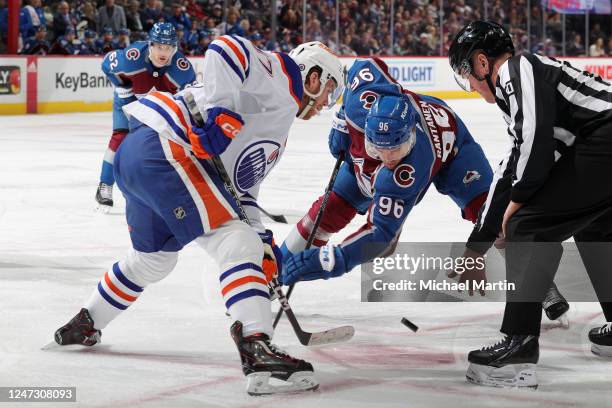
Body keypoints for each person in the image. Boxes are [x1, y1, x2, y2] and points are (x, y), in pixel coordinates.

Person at [53, 40, 344, 395]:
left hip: (140, 158)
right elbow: (226, 48)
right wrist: (221, 114)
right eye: (329, 90)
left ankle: (87, 320)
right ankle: (257, 347)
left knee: (154, 260)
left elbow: (239, 192)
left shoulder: (278, 129)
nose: (325, 103)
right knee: (237, 245)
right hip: (168, 151)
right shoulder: (283, 77)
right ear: (313, 76)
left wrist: (263, 241)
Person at [280, 57, 570, 318]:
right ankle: (273, 269)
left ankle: (541, 285)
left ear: (410, 139)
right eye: (380, 150)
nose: (389, 160)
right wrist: (343, 118)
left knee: (492, 218)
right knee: (329, 209)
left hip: (453, 150)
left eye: (397, 150)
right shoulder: (361, 105)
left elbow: (379, 235)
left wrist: (333, 260)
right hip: (395, 129)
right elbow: (365, 64)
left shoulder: (407, 171)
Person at [448, 20, 612, 388]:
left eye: (466, 74)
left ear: (480, 63)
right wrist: (478, 244)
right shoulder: (524, 84)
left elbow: (534, 147)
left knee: (528, 227)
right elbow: (514, 167)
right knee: (595, 225)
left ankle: (518, 350)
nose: (471, 87)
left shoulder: (516, 68)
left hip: (606, 137)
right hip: (603, 140)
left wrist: (514, 211)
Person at [94, 22, 196, 211]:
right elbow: (107, 63)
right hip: (129, 100)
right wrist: (122, 87)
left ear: (175, 48)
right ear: (150, 45)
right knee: (120, 138)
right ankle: (105, 185)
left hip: (159, 109)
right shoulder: (132, 57)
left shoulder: (182, 70)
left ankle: (160, 191)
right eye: (159, 47)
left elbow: (191, 100)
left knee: (165, 146)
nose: (163, 52)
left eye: (168, 47)